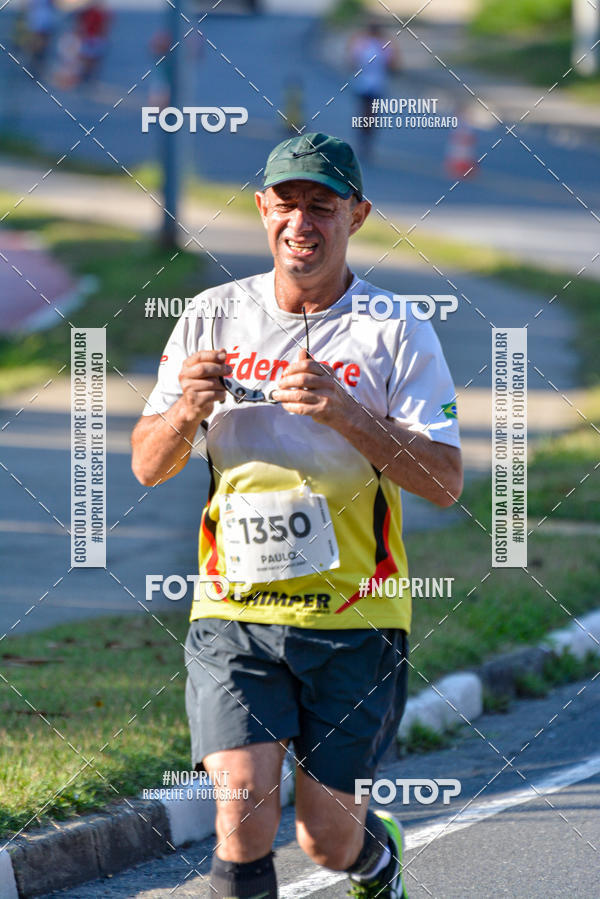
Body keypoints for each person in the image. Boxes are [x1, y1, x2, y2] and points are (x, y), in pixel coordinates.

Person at [131, 132, 462, 898]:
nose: (301, 223)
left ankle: (375, 859)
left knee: (324, 835)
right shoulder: (213, 316)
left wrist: (351, 416)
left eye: (322, 206)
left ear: (358, 215)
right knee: (242, 822)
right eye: (286, 205)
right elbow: (149, 463)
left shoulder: (396, 330)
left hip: (355, 618)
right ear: (261, 210)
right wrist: (187, 407)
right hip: (232, 614)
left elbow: (444, 481)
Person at [350, 21, 398, 161]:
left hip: (365, 83)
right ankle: (366, 140)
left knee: (365, 113)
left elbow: (352, 60)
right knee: (371, 114)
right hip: (374, 84)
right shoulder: (383, 45)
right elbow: (393, 64)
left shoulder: (361, 43)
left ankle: (364, 140)